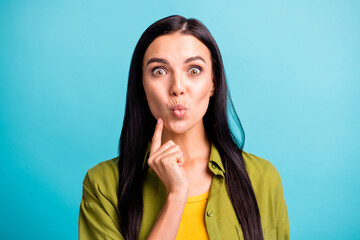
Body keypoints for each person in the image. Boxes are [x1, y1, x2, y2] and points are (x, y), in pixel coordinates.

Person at [79, 15, 289, 240]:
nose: (177, 87)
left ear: (213, 83)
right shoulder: (103, 185)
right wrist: (176, 195)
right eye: (159, 71)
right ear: (142, 86)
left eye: (194, 70)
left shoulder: (263, 179)